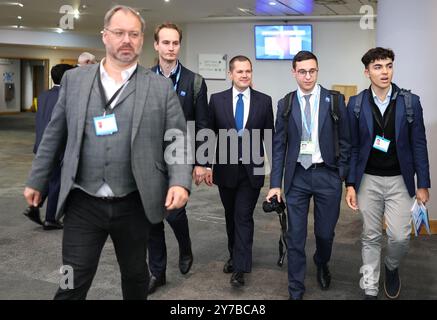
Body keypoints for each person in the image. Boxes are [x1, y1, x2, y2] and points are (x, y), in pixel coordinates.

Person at [23, 5, 191, 300]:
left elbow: (176, 138)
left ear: (141, 41)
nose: (126, 39)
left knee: (136, 277)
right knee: (71, 280)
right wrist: (37, 179)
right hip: (82, 201)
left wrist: (179, 180)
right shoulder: (75, 81)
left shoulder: (160, 88)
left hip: (135, 201)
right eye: (119, 33)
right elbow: (54, 134)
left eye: (133, 34)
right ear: (104, 36)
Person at [345, 47, 430, 300]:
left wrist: (422, 183)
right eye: (378, 67)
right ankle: (370, 287)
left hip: (400, 181)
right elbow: (351, 147)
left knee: (400, 238)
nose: (385, 72)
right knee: (370, 236)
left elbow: (419, 144)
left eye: (389, 66)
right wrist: (350, 183)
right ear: (367, 71)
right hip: (368, 179)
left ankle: (391, 267)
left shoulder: (410, 102)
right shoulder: (356, 104)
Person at [266, 51, 351, 300]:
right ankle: (296, 288)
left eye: (312, 71)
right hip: (297, 178)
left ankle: (322, 261)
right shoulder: (286, 103)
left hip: (327, 175)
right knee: (295, 236)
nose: (307, 76)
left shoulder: (334, 100)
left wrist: (341, 175)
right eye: (302, 71)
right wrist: (275, 184)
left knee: (325, 233)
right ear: (294, 72)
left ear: (318, 70)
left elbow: (346, 141)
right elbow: (279, 146)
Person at [147, 23, 209, 294]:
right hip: (149, 158)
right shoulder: (143, 78)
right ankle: (157, 272)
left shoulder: (194, 81)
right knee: (151, 217)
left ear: (179, 46)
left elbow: (203, 124)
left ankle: (185, 247)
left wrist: (202, 161)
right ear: (156, 45)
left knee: (173, 213)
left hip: (181, 157)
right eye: (166, 42)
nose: (171, 48)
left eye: (175, 43)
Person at [206, 55, 274, 288]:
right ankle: (234, 255)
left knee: (242, 216)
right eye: (240, 71)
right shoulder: (217, 100)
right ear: (230, 74)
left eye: (248, 71)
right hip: (225, 170)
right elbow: (208, 134)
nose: (245, 75)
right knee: (230, 216)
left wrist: (276, 175)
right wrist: (204, 164)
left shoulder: (264, 101)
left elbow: (270, 138)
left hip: (251, 171)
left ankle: (240, 268)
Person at [25, 63, 75, 230]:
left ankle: (34, 205)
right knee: (56, 182)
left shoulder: (44, 95)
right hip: (57, 146)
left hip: (41, 143)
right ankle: (51, 218)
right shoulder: (67, 95)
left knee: (48, 178)